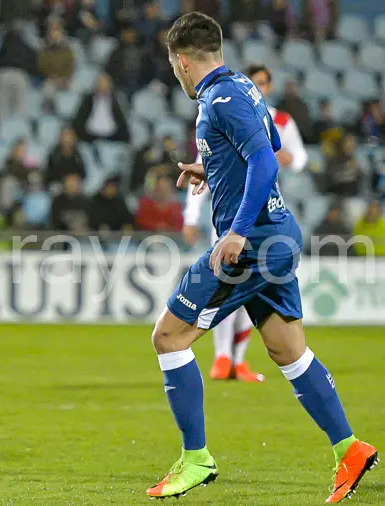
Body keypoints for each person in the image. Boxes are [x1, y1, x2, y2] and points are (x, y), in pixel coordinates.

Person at [148, 13, 376, 502]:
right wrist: (213, 170)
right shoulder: (243, 87)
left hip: (252, 242)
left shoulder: (221, 99)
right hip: (279, 234)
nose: (175, 74)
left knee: (168, 336)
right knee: (287, 349)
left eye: (173, 66)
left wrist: (236, 230)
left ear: (182, 61)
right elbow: (266, 143)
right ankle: (350, 449)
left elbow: (266, 160)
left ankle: (196, 460)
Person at [182, 63, 309, 383]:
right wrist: (191, 216)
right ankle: (222, 358)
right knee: (230, 288)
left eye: (264, 83)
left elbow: (299, 157)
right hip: (231, 219)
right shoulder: (227, 110)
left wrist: (286, 159)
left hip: (267, 214)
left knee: (248, 292)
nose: (259, 88)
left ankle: (237, 361)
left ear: (269, 85)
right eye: (255, 83)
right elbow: (204, 162)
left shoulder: (278, 119)